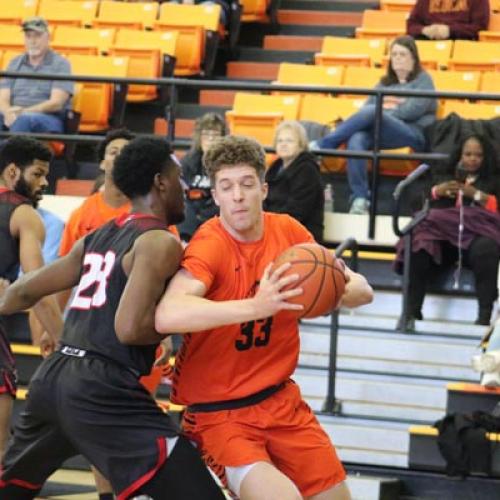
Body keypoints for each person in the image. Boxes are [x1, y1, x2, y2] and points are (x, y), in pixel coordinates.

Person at [0, 137, 226, 500]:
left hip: (54, 377)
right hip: (102, 386)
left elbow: (21, 292)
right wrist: (181, 319)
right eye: (179, 177)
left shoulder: (99, 235)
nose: (185, 189)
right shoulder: (160, 241)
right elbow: (130, 327)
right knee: (199, 492)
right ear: (160, 181)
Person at [155, 135, 374, 500]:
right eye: (226, 187)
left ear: (264, 188)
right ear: (216, 195)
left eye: (246, 184)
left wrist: (326, 290)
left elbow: (362, 290)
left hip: (281, 401)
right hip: (220, 414)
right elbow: (168, 314)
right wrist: (257, 306)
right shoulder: (210, 244)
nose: (238, 195)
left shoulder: (288, 232)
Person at [310, 35, 436, 214]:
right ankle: (360, 200)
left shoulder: (423, 80)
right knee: (357, 138)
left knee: (372, 112)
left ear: (413, 58)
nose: (398, 58)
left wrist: (383, 111)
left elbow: (412, 110)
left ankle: (324, 145)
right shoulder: (384, 83)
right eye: (394, 54)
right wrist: (386, 110)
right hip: (383, 132)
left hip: (412, 133)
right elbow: (366, 107)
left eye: (403, 54)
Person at [396, 134, 500, 330]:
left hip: (476, 238)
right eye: (468, 154)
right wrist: (437, 191)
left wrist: (476, 195)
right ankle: (411, 312)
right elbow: (415, 204)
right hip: (442, 238)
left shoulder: (494, 180)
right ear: (459, 155)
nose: (472, 158)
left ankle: (484, 316)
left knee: (487, 248)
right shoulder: (442, 176)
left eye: (478, 155)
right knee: (419, 244)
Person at [0, 136, 63, 459]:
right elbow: (36, 286)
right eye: (38, 173)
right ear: (12, 172)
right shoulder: (23, 214)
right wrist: (66, 342)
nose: (44, 182)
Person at [0, 17, 73, 134]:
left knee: (24, 120)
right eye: (28, 36)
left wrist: (22, 112)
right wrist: (8, 112)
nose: (32, 41)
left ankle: (10, 151)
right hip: (15, 114)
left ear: (48, 38)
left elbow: (56, 103)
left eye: (37, 36)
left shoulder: (61, 64)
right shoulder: (14, 62)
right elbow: (2, 98)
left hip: (48, 118)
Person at [264, 120, 324, 243]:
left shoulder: (307, 170)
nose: (283, 144)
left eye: (289, 141)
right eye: (280, 141)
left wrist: (268, 224)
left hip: (300, 237)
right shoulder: (274, 168)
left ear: (301, 144)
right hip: (273, 230)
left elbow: (297, 211)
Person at [178, 112, 224, 241]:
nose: (210, 139)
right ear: (199, 137)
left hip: (214, 218)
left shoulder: (227, 164)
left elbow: (223, 198)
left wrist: (202, 216)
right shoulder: (188, 161)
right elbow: (182, 193)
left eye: (215, 135)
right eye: (206, 135)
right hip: (190, 218)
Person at [407, 0, 490, 41]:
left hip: (463, 48)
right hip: (429, 45)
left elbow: (479, 27)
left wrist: (450, 31)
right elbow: (411, 25)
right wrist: (424, 30)